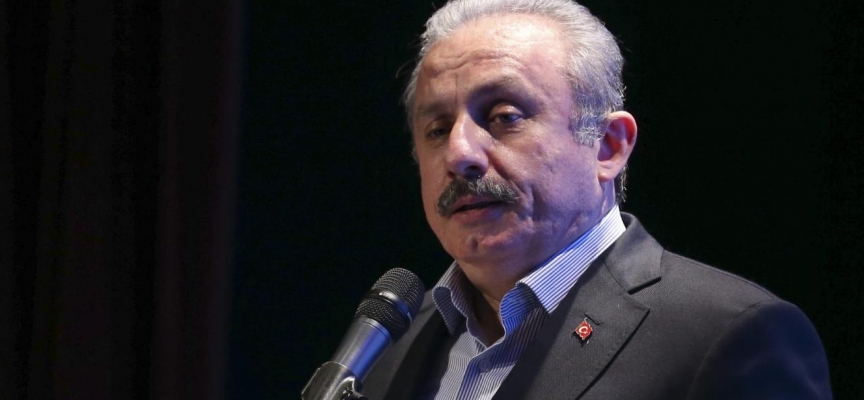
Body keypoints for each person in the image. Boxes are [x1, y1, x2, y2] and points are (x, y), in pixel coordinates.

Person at [363, 0, 832, 398]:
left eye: (505, 116)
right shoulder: (385, 346)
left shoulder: (729, 336)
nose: (459, 153)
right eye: (437, 129)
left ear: (608, 146)